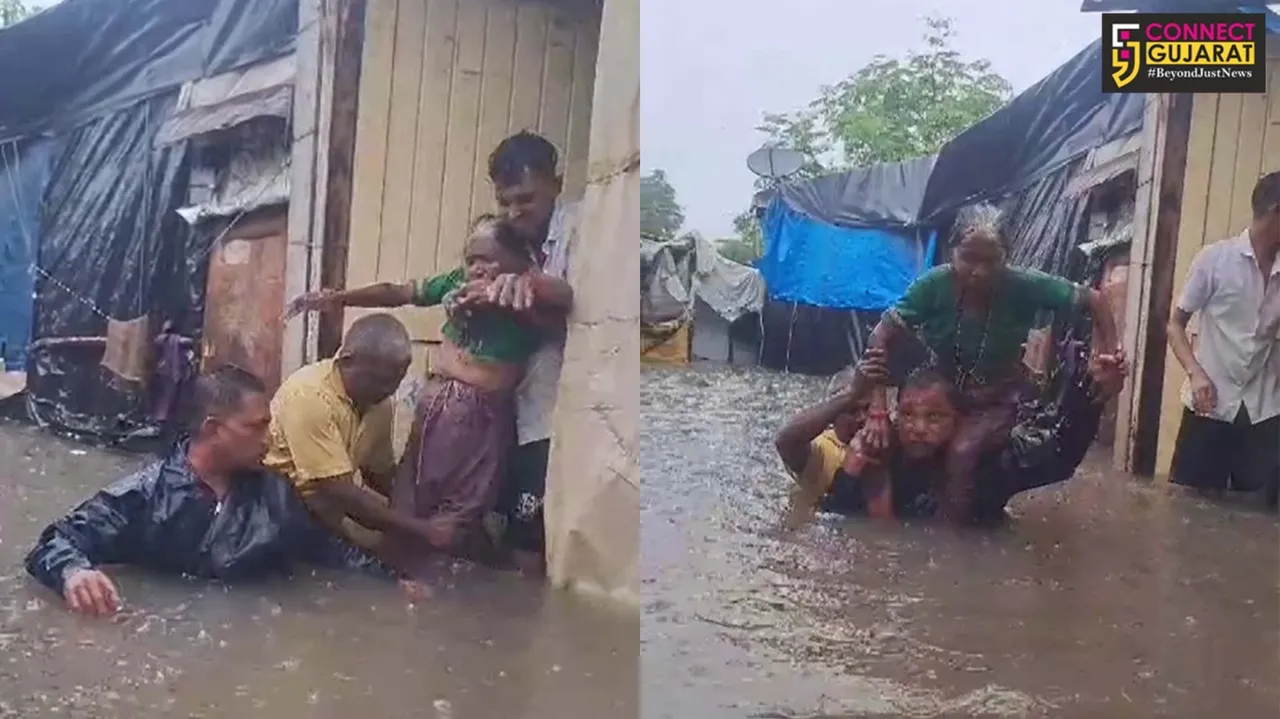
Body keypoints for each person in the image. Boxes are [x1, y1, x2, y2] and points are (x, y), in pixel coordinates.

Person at [24, 366, 419, 619]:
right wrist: (74, 573)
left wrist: (392, 582)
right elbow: (52, 542)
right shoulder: (145, 493)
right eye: (256, 427)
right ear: (214, 429)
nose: (270, 438)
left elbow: (327, 549)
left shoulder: (276, 493)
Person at [286, 216, 544, 554]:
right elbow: (398, 292)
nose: (477, 269)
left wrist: (507, 296)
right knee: (426, 500)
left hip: (478, 413)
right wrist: (338, 298)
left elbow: (551, 315)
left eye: (488, 259)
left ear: (518, 257)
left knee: (459, 507)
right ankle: (414, 571)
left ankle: (430, 574)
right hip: (442, 405)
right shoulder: (455, 282)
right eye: (471, 260)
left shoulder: (526, 291)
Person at [861, 204, 1122, 522]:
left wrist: (1108, 354)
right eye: (968, 258)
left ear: (1007, 256)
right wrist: (877, 408)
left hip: (997, 395)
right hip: (942, 390)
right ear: (951, 252)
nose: (979, 271)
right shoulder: (933, 285)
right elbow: (880, 337)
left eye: (991, 260)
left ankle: (949, 538)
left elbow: (1093, 299)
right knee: (897, 441)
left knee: (962, 450)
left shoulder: (1023, 285)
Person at [813, 339, 1127, 522]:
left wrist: (1092, 396)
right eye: (907, 414)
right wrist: (853, 465)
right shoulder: (883, 454)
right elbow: (835, 522)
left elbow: (1058, 457)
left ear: (960, 420)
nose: (918, 428)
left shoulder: (984, 459)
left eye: (934, 417)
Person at [482, 131, 577, 576]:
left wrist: (533, 287)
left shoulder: (586, 232)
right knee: (508, 529)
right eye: (505, 202)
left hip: (558, 414)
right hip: (517, 407)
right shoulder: (508, 240)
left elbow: (583, 312)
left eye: (525, 199)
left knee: (534, 538)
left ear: (556, 184)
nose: (514, 212)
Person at [262, 313, 436, 549]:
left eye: (397, 381)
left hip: (329, 511)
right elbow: (339, 492)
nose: (388, 390)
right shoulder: (309, 397)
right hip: (279, 515)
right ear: (346, 360)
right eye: (378, 380)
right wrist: (420, 530)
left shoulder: (379, 403)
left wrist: (423, 511)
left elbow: (379, 474)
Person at [1166, 171, 1280, 509]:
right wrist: (1195, 373)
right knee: (1188, 511)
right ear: (1276, 211)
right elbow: (1174, 324)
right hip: (1210, 405)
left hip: (1265, 408)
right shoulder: (1214, 260)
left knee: (1261, 518)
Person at [774, 349, 885, 501]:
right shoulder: (821, 451)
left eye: (867, 408)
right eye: (851, 410)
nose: (862, 417)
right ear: (833, 414)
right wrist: (851, 394)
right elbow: (784, 441)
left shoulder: (883, 438)